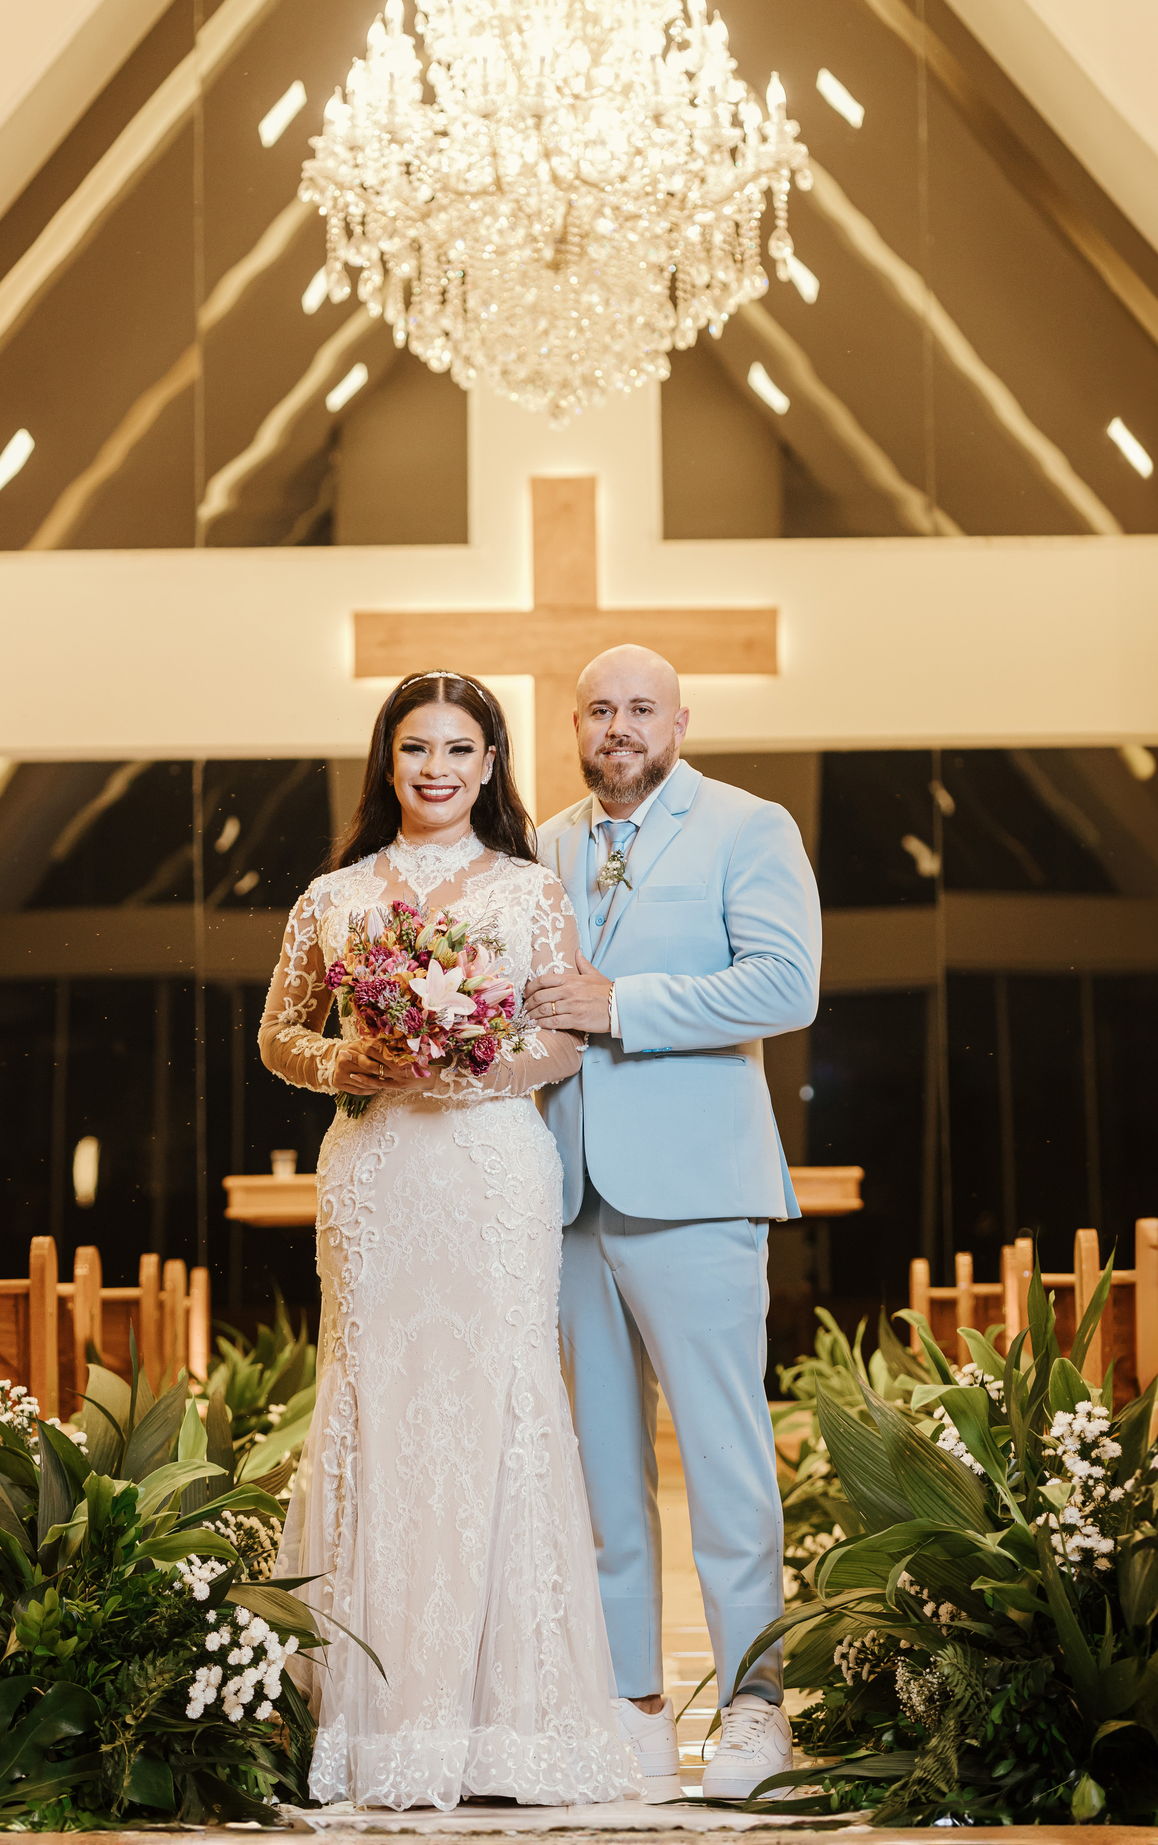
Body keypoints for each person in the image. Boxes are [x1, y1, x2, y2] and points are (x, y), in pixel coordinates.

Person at [259, 671, 642, 1812]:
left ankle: (507, 1728)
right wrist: (341, 1062)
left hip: (487, 1169)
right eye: (416, 746)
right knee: (375, 1399)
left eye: (460, 748)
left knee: (499, 1400)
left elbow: (564, 1040)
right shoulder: (331, 896)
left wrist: (475, 1062)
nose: (437, 767)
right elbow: (281, 1031)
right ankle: (370, 1727)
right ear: (387, 760)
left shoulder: (531, 892)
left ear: (490, 764)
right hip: (378, 1171)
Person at [526, 645, 822, 1801]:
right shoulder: (543, 843)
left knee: (726, 1460)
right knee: (604, 1471)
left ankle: (755, 1707)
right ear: (577, 728)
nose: (618, 727)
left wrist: (621, 1006)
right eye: (598, 710)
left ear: (680, 722)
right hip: (569, 1197)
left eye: (640, 708)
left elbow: (784, 985)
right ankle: (634, 1708)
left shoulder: (750, 828)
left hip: (696, 1189)